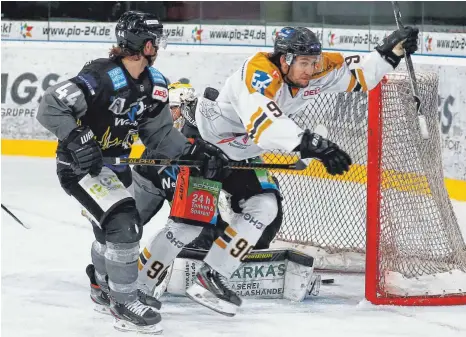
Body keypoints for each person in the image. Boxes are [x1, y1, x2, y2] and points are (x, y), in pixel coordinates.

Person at [132, 25, 420, 317]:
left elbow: (359, 75)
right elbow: (265, 125)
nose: (310, 70)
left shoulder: (314, 68)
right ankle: (137, 287)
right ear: (284, 60)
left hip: (242, 153)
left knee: (265, 205)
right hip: (206, 149)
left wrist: (389, 53)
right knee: (187, 226)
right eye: (303, 63)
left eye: (313, 62)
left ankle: (212, 275)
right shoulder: (258, 73)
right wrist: (311, 144)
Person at [36, 11, 225, 334]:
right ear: (145, 43)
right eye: (156, 39)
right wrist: (76, 137)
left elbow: (159, 135)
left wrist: (193, 152)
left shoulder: (156, 83)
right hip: (82, 168)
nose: (159, 46)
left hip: (118, 169)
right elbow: (50, 106)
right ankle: (123, 301)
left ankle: (100, 284)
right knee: (125, 224)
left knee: (105, 231)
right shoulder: (101, 76)